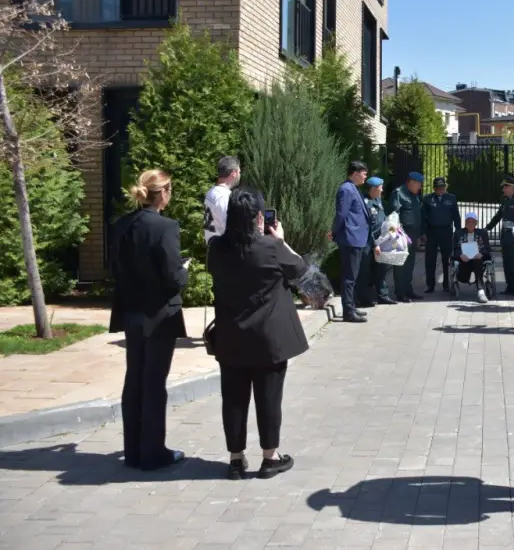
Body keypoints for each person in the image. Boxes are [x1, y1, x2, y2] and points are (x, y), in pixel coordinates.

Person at [207, 187, 310, 479]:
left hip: (231, 337)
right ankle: (270, 457)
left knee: (234, 399)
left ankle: (236, 459)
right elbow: (300, 270)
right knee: (269, 397)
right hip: (268, 339)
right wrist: (282, 241)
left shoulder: (217, 247)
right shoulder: (270, 248)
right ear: (257, 217)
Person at [109, 169, 189, 471]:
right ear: (164, 193)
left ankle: (133, 451)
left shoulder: (122, 224)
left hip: (131, 312)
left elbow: (116, 268)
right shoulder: (165, 227)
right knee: (154, 383)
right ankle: (153, 453)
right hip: (159, 315)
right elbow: (172, 276)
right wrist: (185, 272)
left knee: (135, 380)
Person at [332, 161, 370, 323]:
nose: (365, 176)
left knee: (352, 276)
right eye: (364, 173)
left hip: (356, 238)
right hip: (350, 238)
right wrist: (333, 231)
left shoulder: (353, 188)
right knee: (349, 276)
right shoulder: (346, 189)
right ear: (355, 173)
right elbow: (342, 214)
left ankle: (351, 306)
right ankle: (348, 311)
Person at [357, 176, 395, 307]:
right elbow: (366, 227)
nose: (382, 189)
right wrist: (374, 244)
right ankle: (364, 298)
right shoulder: (365, 203)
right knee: (365, 271)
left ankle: (382, 295)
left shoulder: (378, 200)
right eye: (380, 187)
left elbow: (382, 219)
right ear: (373, 189)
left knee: (381, 269)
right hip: (368, 243)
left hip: (380, 241)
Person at [486, 173, 514, 296]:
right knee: (507, 263)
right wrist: (487, 228)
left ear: (512, 187)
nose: (503, 189)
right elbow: (498, 216)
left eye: (505, 187)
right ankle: (510, 286)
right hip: (505, 236)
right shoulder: (505, 200)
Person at [390, 171, 425, 302]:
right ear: (411, 182)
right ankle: (400, 292)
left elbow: (417, 215)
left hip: (413, 234)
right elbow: (393, 216)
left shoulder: (414, 195)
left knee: (409, 264)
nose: (420, 187)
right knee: (400, 264)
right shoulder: (398, 194)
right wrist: (397, 235)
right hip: (402, 234)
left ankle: (408, 289)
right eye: (419, 184)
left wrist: (419, 235)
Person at [422, 177, 461, 293]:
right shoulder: (427, 199)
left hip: (446, 231)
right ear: (434, 188)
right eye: (438, 188)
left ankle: (446, 284)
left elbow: (456, 217)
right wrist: (423, 233)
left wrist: (458, 232)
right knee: (430, 260)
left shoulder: (451, 198)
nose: (441, 190)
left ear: (445, 187)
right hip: (431, 232)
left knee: (447, 259)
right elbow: (423, 217)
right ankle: (430, 285)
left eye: (443, 187)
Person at [452, 211, 490, 303]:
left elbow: (487, 249)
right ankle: (479, 288)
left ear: (476, 223)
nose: (470, 223)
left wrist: (481, 253)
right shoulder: (458, 233)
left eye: (472, 221)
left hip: (478, 260)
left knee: (478, 261)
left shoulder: (482, 233)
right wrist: (461, 255)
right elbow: (454, 250)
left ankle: (481, 292)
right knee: (467, 266)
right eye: (468, 221)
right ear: (465, 223)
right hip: (464, 262)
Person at [204, 156, 241, 244]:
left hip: (213, 246)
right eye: (239, 172)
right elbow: (228, 227)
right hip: (223, 249)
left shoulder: (211, 192)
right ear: (234, 173)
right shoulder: (224, 197)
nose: (240, 175)